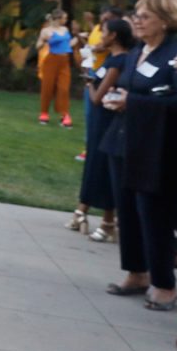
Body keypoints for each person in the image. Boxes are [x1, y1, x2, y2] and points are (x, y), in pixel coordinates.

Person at [102, 0, 177, 313]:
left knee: (154, 215)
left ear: (165, 20)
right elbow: (130, 88)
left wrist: (133, 104)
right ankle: (136, 273)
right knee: (128, 211)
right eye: (135, 15)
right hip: (123, 142)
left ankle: (164, 285)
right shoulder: (137, 51)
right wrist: (117, 99)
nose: (136, 21)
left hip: (158, 148)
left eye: (144, 16)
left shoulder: (176, 55)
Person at [63, 18, 133, 242]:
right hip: (99, 121)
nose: (100, 36)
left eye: (103, 32)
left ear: (113, 36)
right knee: (95, 164)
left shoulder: (119, 61)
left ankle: (107, 220)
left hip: (106, 121)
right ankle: (88, 213)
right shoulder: (111, 58)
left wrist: (89, 85)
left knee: (102, 167)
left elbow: (96, 98)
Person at [74, 7, 123, 162]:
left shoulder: (115, 41)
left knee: (98, 110)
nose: (103, 23)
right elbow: (91, 45)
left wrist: (92, 48)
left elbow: (101, 47)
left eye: (107, 19)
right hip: (94, 70)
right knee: (90, 113)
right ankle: (89, 147)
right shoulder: (96, 28)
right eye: (102, 18)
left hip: (104, 72)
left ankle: (93, 149)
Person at [36, 9, 77, 127]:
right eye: (65, 18)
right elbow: (38, 45)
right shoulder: (46, 31)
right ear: (58, 19)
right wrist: (44, 40)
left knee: (64, 88)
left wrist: (78, 38)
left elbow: (67, 44)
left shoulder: (65, 29)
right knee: (47, 87)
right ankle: (44, 112)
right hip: (51, 60)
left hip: (64, 61)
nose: (66, 20)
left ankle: (64, 114)